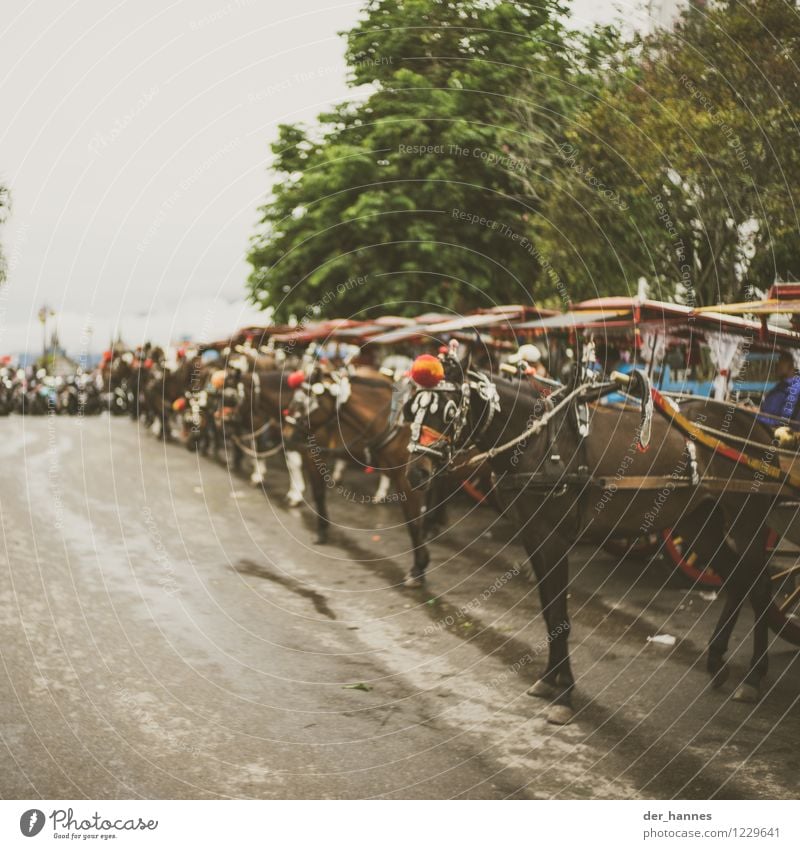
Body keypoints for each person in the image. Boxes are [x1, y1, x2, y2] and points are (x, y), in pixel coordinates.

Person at [759, 350, 800, 428]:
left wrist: (755, 415)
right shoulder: (782, 384)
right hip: (763, 426)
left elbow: (782, 423)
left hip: (772, 434)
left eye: (783, 360)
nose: (778, 363)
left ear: (793, 365)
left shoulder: (795, 389)